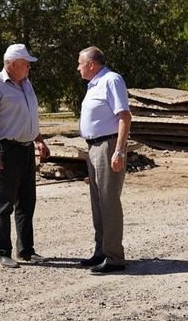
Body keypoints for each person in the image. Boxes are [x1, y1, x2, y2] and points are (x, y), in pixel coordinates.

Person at [0, 44, 50, 268]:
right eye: (26, 62)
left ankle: (26, 250)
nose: (29, 66)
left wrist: (39, 140)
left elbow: (28, 117)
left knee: (27, 202)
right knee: (5, 203)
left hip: (27, 148)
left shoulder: (26, 84)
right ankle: (2, 252)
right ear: (12, 63)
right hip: (7, 149)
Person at [77, 46, 131, 274]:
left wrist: (118, 151)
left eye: (80, 63)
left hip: (108, 146)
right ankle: (101, 250)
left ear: (91, 64)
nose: (77, 67)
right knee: (98, 203)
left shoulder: (111, 80)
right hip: (93, 147)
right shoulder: (94, 84)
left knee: (108, 202)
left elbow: (124, 117)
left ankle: (115, 257)